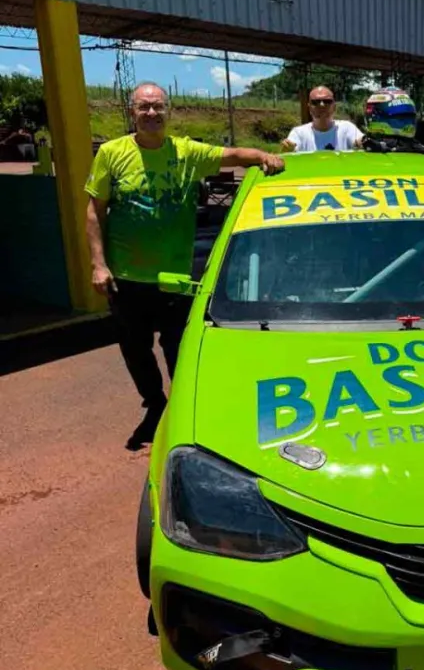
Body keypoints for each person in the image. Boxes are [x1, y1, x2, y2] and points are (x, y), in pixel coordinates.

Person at [85, 81, 284, 450]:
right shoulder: (112, 153)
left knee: (181, 347)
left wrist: (261, 155)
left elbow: (232, 154)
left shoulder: (187, 152)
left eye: (157, 107)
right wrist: (99, 264)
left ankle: (183, 410)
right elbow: (94, 210)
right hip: (127, 276)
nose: (151, 113)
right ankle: (154, 402)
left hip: (176, 277)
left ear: (168, 111)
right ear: (133, 112)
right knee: (135, 349)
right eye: (144, 107)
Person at [282, 86, 363, 152]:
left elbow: (361, 142)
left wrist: (362, 143)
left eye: (327, 101)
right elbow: (289, 152)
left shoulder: (347, 128)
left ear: (334, 107)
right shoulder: (298, 133)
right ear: (309, 108)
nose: (321, 105)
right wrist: (287, 149)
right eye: (315, 102)